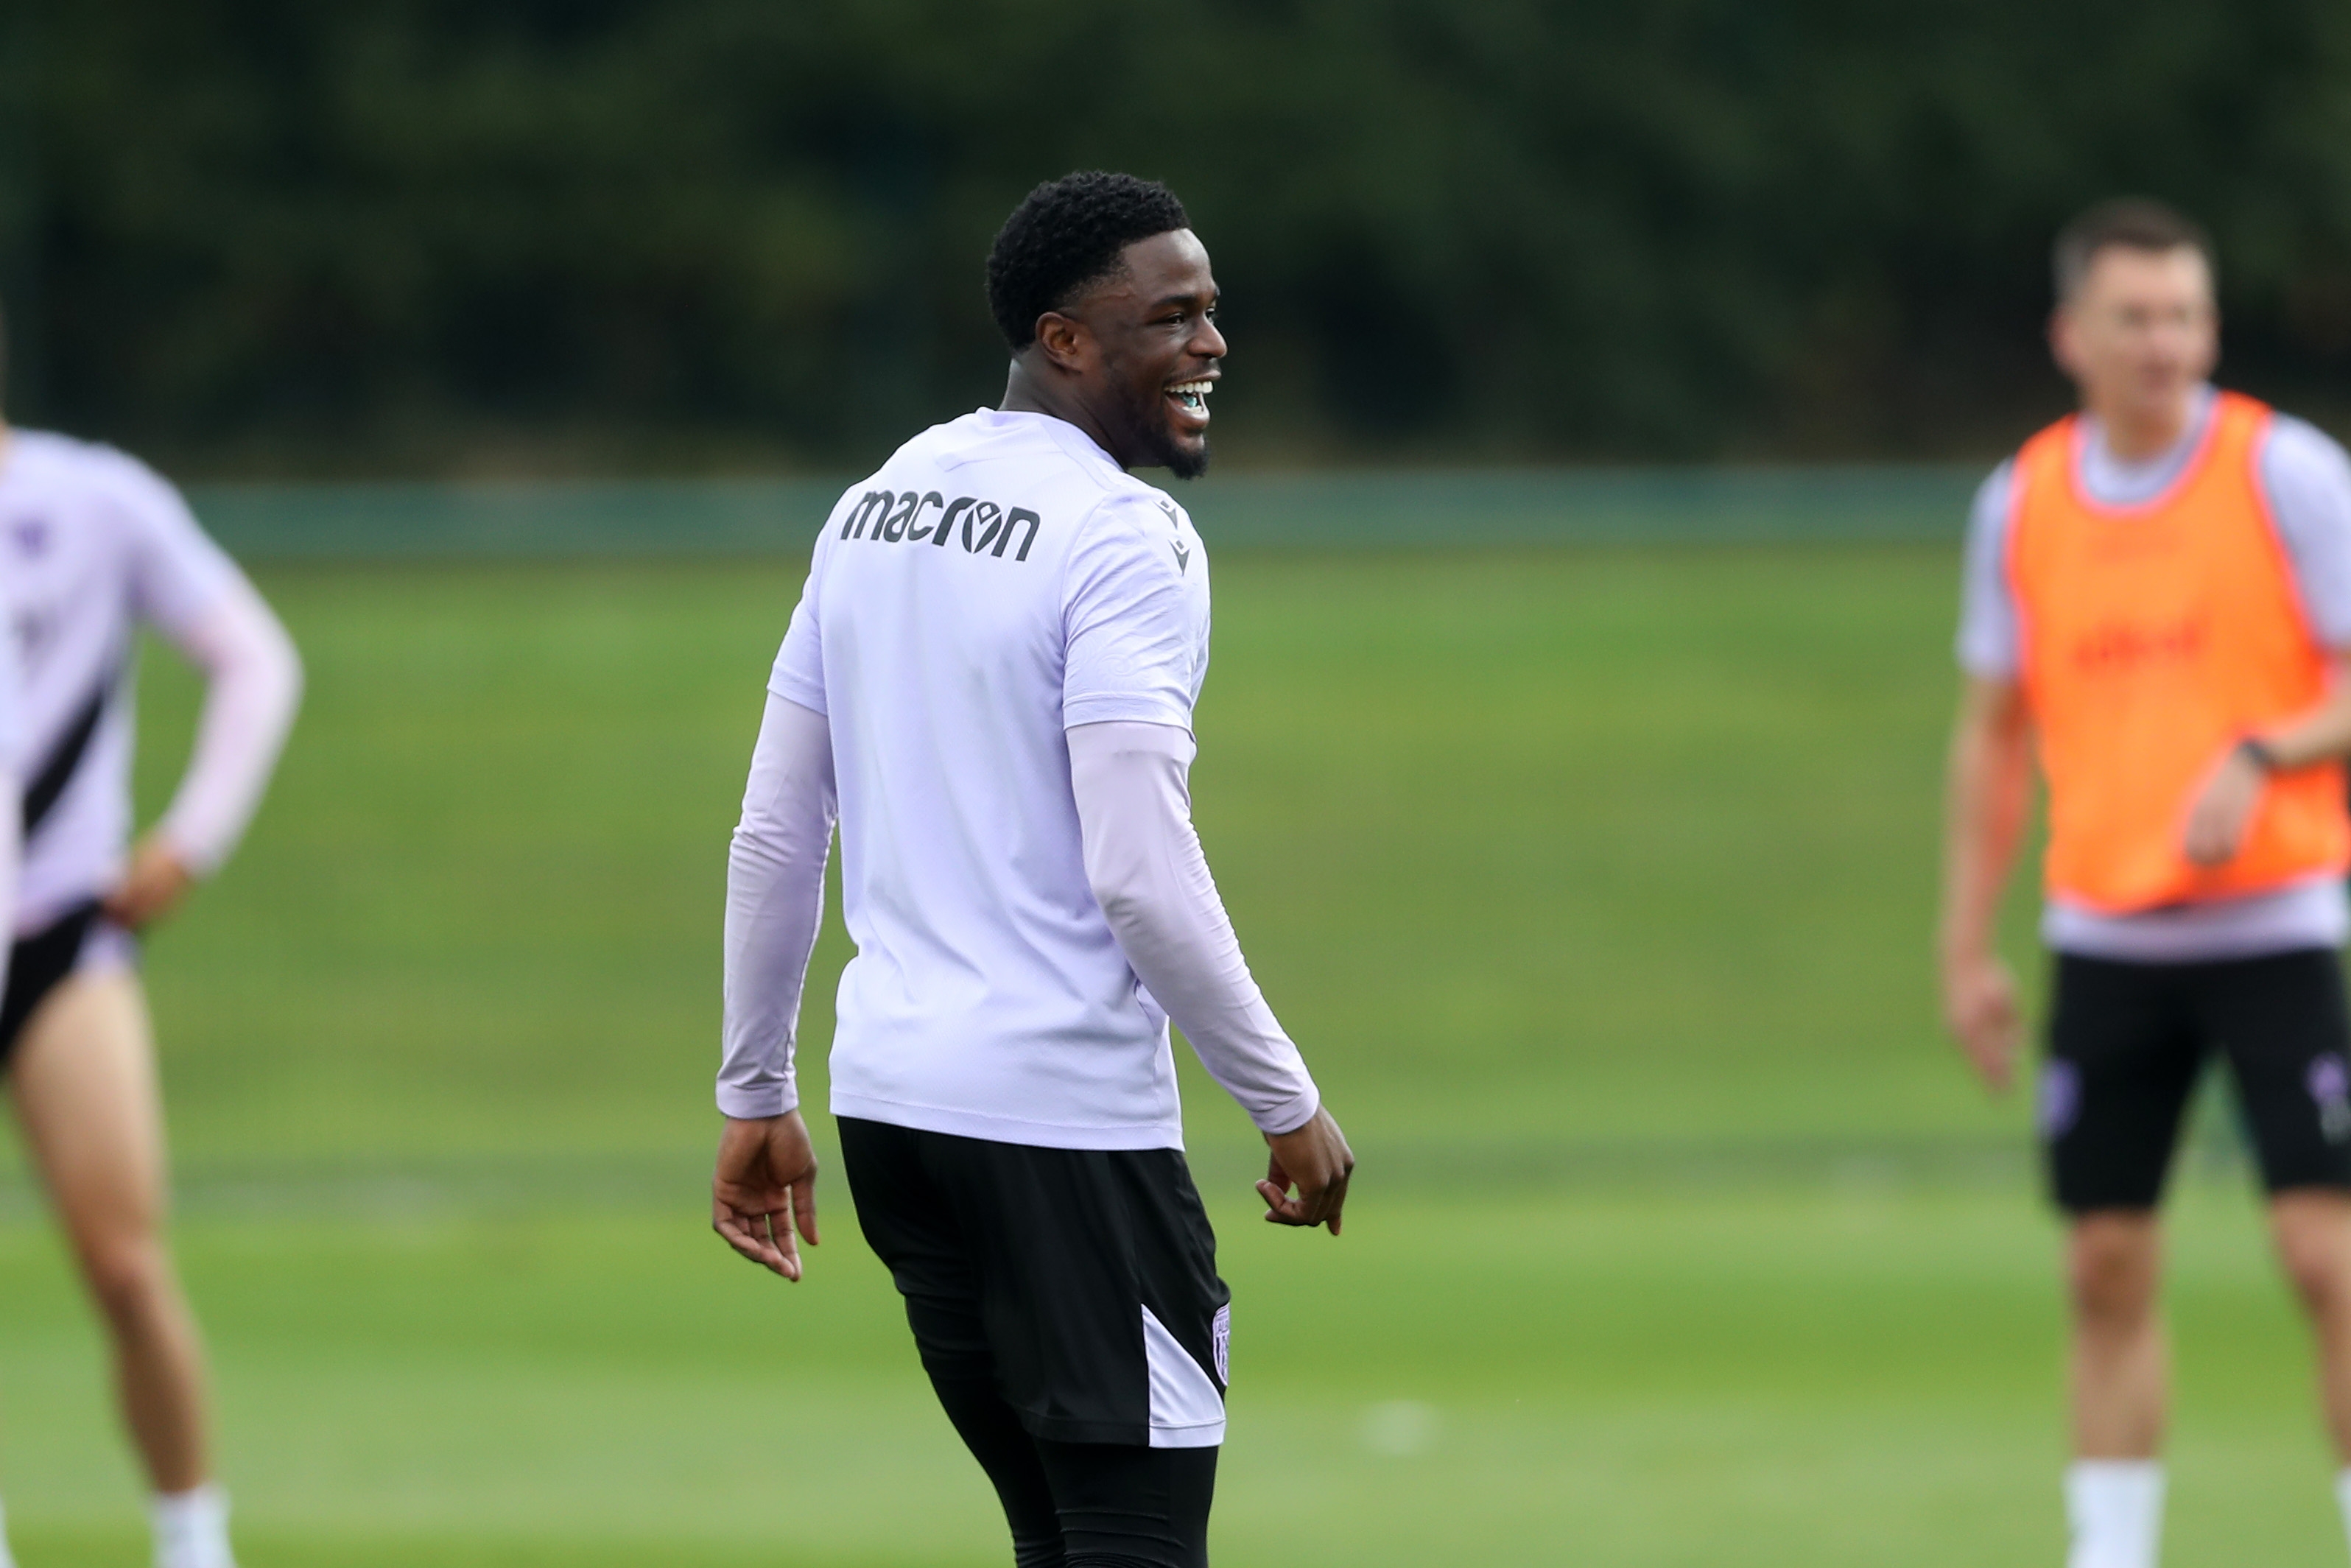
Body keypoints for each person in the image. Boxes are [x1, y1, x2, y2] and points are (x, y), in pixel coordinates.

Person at [711, 170, 1352, 1567]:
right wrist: (1286, 1100)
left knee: (1052, 1539)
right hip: (1063, 1128)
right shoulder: (1127, 536)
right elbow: (1138, 866)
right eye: (1171, 316)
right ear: (1066, 341)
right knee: (1130, 1542)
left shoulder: (876, 503)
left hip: (894, 1117)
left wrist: (757, 1087)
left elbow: (776, 826)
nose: (1210, 344)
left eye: (1212, 311)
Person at [1941, 199, 2351, 1568]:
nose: (2163, 341)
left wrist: (2262, 752)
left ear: (2211, 328)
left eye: (2184, 314)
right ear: (2073, 335)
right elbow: (1993, 733)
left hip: (2276, 921)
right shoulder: (2025, 500)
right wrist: (1967, 945)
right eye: (2135, 316)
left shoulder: (2285, 471)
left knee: (2324, 1255)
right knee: (2104, 1265)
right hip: (2108, 930)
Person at [0, 306, 303, 1568]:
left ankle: (192, 1543)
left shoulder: (94, 498)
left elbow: (253, 657)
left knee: (124, 1262)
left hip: (63, 940)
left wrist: (190, 839)